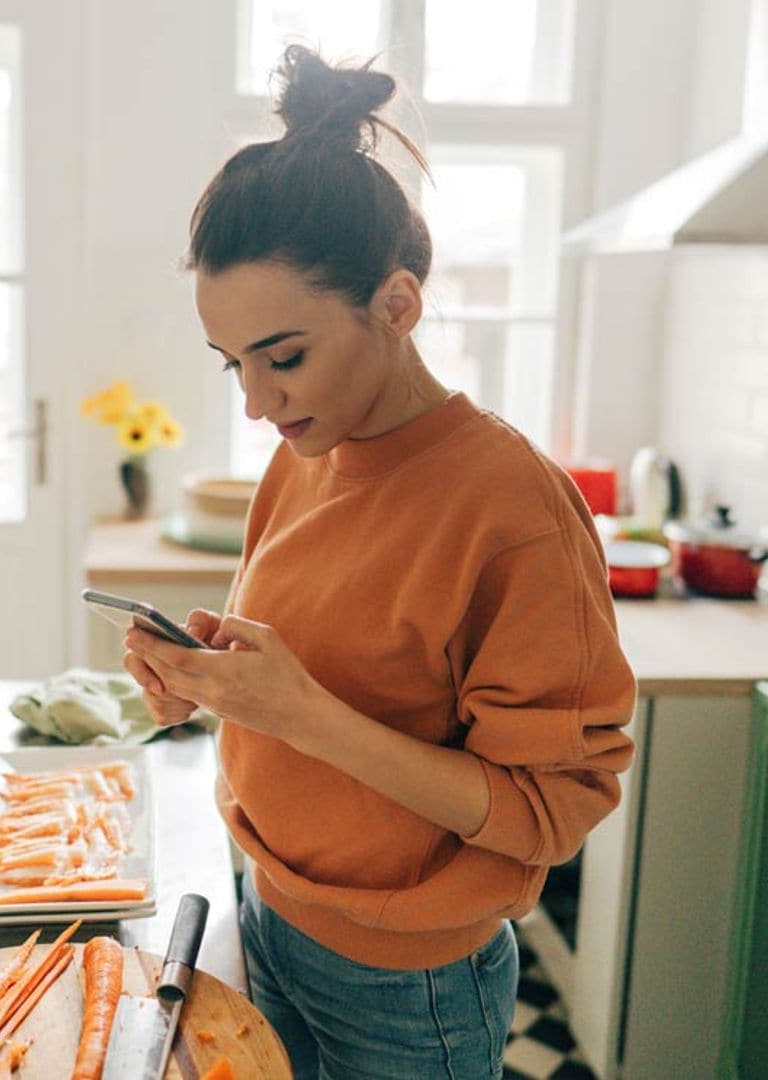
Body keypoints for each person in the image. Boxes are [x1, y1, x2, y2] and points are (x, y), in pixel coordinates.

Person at [123, 45, 636, 1080]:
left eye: (285, 356)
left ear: (397, 305)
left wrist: (297, 712)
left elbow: (550, 811)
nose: (257, 404)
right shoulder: (311, 450)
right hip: (268, 909)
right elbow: (328, 670)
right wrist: (208, 680)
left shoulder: (511, 509)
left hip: (409, 986)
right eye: (235, 364)